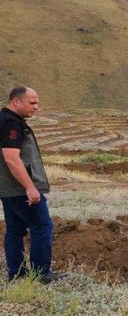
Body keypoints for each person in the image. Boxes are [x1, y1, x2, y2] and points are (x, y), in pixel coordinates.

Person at [0, 86, 66, 284]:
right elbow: (12, 159)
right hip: (19, 188)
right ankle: (41, 273)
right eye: (32, 102)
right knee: (42, 226)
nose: (37, 107)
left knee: (14, 229)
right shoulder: (11, 123)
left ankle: (17, 274)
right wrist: (30, 187)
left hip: (8, 188)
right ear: (16, 102)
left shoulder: (5, 119)